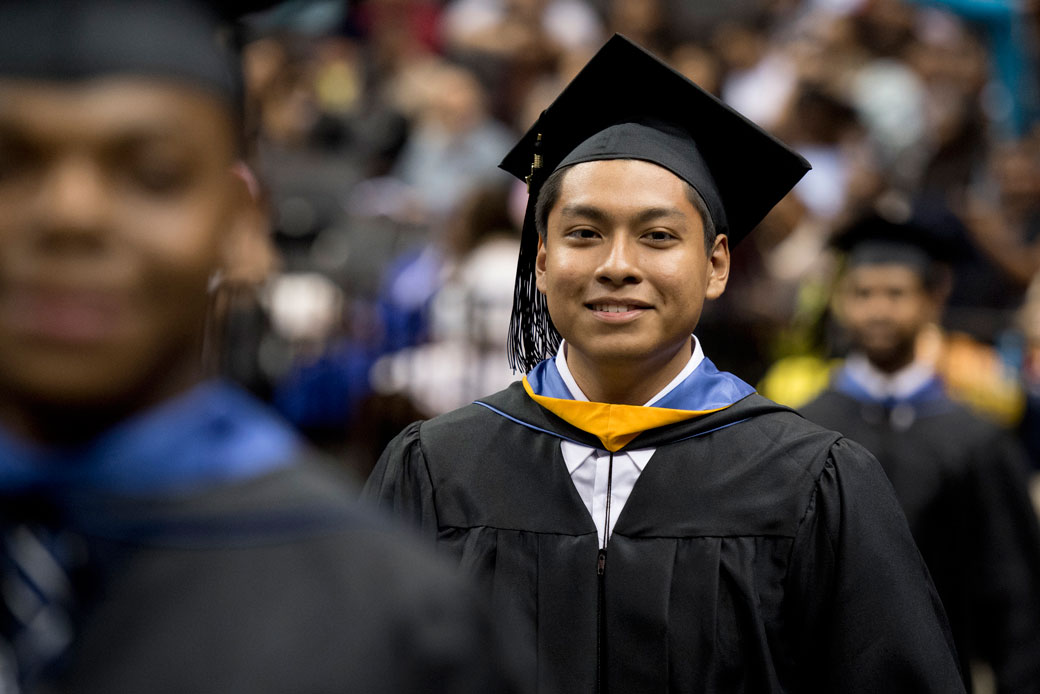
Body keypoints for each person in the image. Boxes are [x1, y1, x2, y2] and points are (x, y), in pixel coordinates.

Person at [364, 34, 965, 693]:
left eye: (657, 236)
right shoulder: (438, 468)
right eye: (584, 234)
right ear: (541, 262)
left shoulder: (809, 481)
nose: (617, 266)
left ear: (715, 266)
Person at [0, 2, 525, 693]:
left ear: (240, 223)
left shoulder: (391, 619)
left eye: (154, 174)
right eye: (8, 165)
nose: (71, 217)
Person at [799, 211, 1040, 693]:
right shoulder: (805, 427)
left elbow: (1012, 588)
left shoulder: (974, 439)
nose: (879, 311)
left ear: (934, 299)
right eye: (863, 294)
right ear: (842, 303)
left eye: (896, 294)